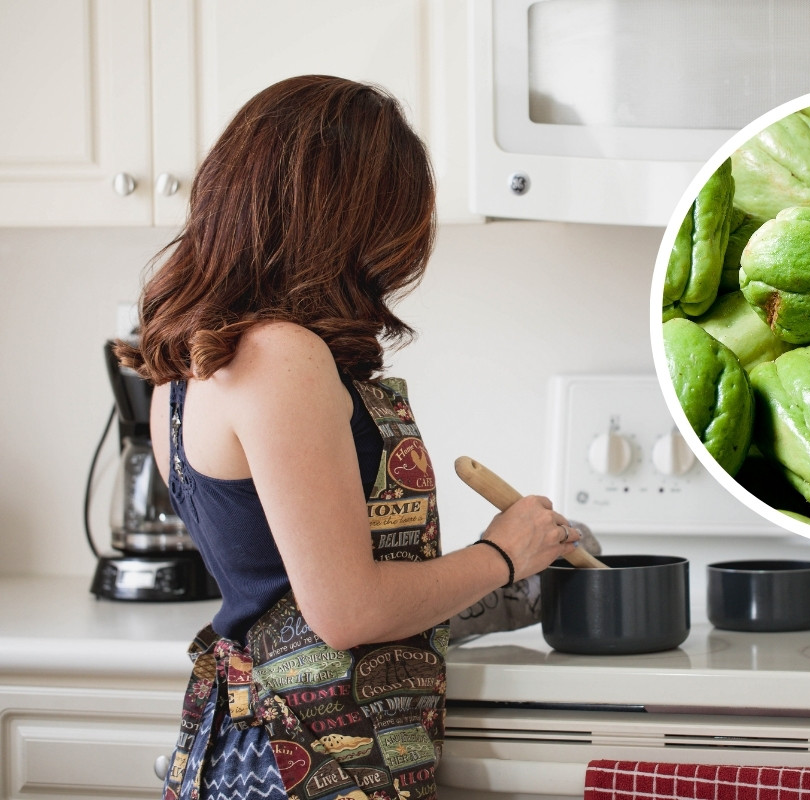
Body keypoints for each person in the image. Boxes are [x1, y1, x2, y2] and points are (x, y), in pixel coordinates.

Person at [115, 75, 582, 800]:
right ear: (347, 219)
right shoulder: (280, 355)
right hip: (303, 757)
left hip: (248, 741)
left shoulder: (187, 366)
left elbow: (279, 587)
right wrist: (503, 554)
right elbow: (346, 610)